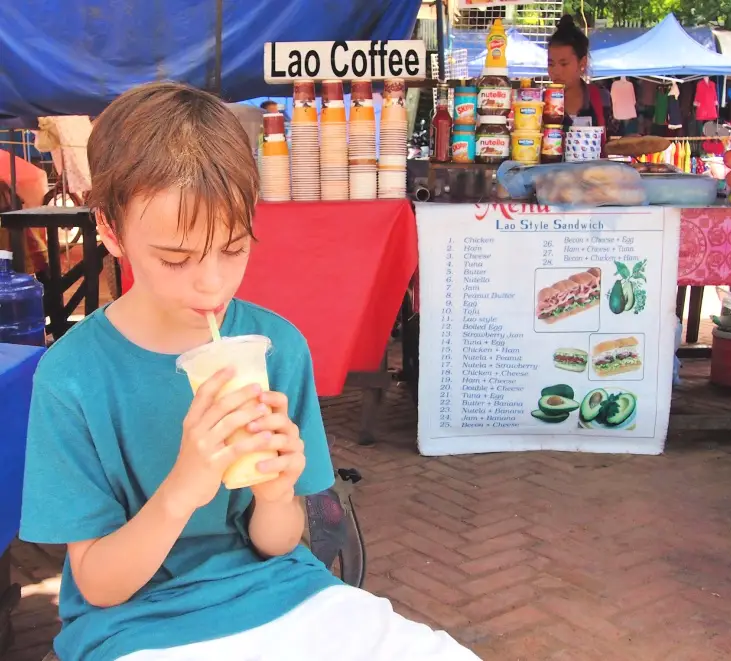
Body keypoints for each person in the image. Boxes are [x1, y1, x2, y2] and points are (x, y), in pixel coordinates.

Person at [18, 81, 479, 661]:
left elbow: (280, 542)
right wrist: (183, 488)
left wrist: (274, 493)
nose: (211, 283)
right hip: (138, 624)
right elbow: (100, 586)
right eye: (176, 258)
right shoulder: (73, 377)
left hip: (283, 593)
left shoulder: (274, 348)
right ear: (111, 231)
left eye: (234, 248)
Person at [547, 14, 619, 141]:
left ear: (582, 63)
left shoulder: (601, 97)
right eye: (551, 64)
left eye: (564, 64)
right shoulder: (541, 104)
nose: (556, 71)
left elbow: (610, 142)